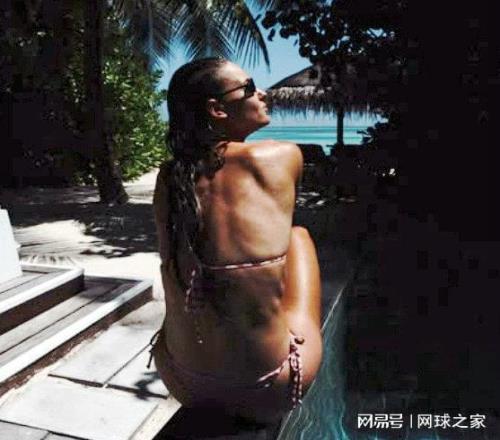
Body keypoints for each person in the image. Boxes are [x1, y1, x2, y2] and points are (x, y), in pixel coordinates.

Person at [151, 57, 323, 423]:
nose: (262, 94)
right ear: (217, 109)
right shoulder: (281, 156)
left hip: (180, 379)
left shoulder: (170, 176)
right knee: (298, 236)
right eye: (249, 88)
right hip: (267, 389)